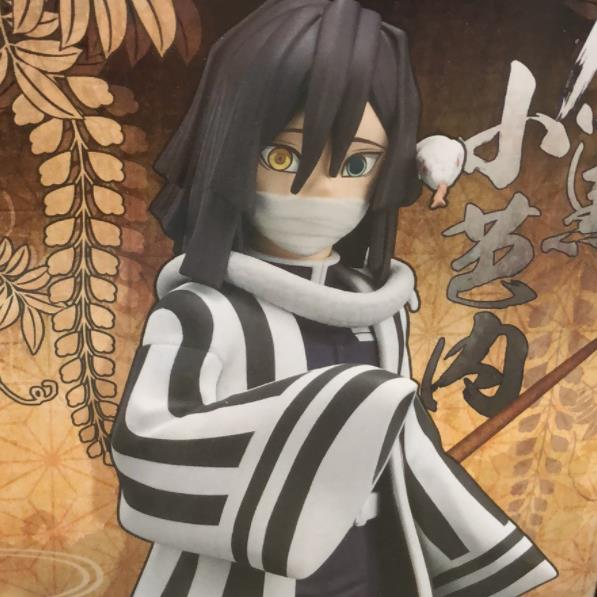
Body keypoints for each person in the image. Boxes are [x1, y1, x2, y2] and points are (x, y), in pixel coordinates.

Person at [110, 1, 558, 595]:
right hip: (242, 573)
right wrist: (333, 415)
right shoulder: (203, 313)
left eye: (357, 162)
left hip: (370, 562)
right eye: (282, 157)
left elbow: (408, 452)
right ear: (230, 150)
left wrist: (475, 547)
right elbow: (147, 452)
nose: (322, 191)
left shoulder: (379, 311)